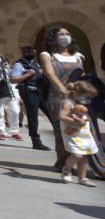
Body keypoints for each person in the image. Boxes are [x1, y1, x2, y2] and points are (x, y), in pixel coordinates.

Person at [39, 26, 86, 171]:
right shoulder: (47, 55)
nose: (65, 36)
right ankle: (63, 162)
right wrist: (62, 88)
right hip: (56, 97)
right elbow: (49, 73)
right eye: (61, 34)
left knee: (78, 129)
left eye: (67, 34)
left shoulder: (78, 55)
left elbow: (82, 75)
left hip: (77, 97)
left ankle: (74, 160)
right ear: (53, 38)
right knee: (60, 130)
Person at [11, 45, 52, 151]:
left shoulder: (36, 63)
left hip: (41, 93)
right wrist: (28, 74)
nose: (33, 52)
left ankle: (60, 136)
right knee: (33, 118)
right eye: (29, 51)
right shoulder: (19, 64)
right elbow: (13, 80)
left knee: (52, 114)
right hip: (30, 93)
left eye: (34, 50)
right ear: (24, 52)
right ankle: (36, 141)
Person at [59, 81, 99, 186]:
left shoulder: (78, 102)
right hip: (72, 133)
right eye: (87, 96)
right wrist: (76, 121)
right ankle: (66, 170)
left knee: (84, 156)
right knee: (77, 155)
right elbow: (62, 116)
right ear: (77, 93)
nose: (89, 99)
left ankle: (82, 178)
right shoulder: (68, 103)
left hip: (83, 134)